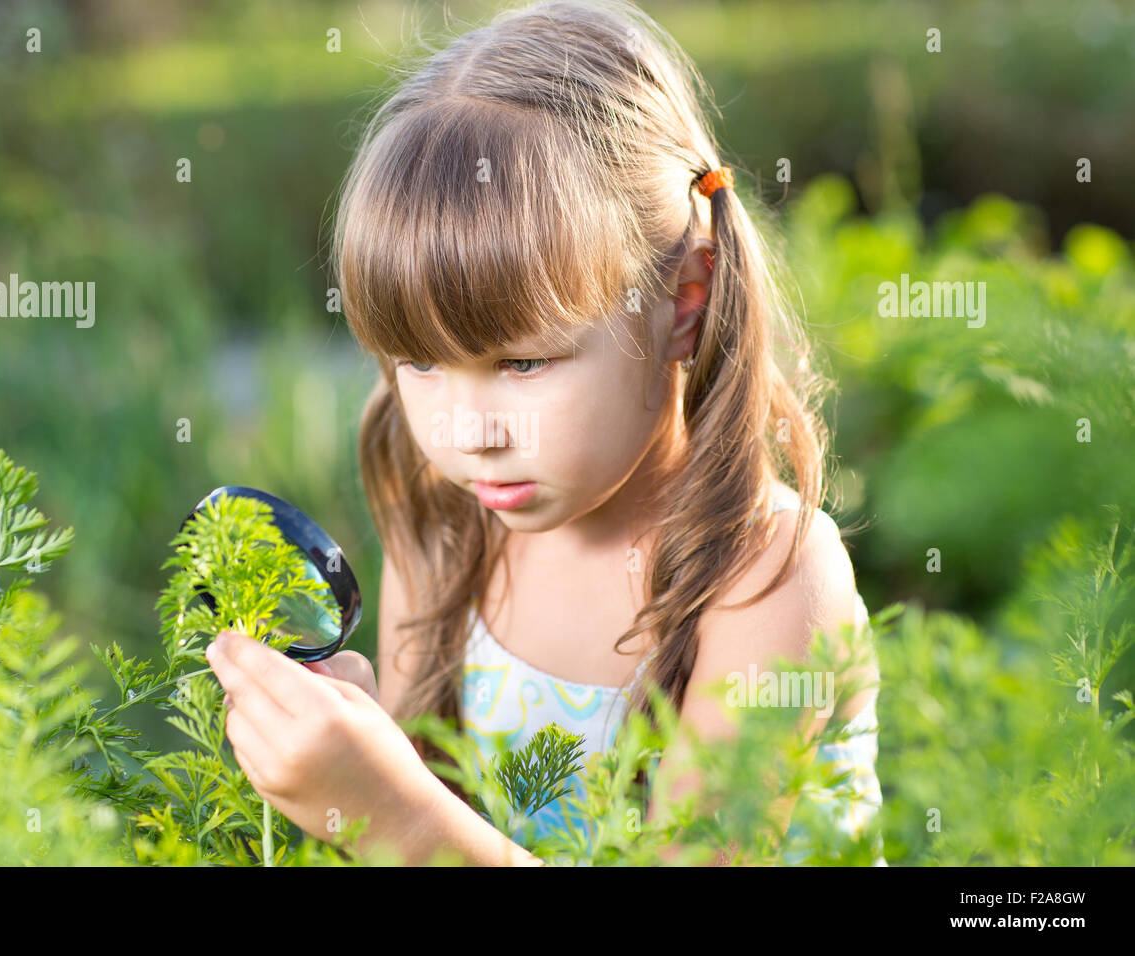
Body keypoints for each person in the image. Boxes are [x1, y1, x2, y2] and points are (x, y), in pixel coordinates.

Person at [208, 0, 884, 866]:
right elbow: (451, 813)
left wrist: (391, 817)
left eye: (523, 365)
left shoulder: (768, 577)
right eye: (420, 362)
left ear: (682, 301)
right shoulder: (447, 523)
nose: (466, 432)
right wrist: (372, 754)